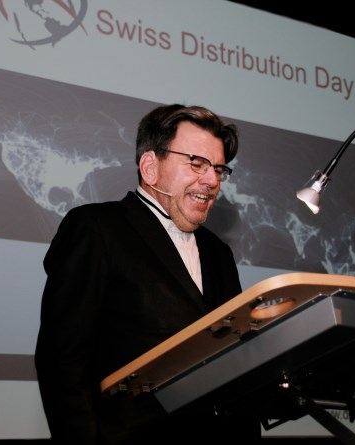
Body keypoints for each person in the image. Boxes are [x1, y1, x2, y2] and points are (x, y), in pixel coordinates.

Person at [35, 104, 261, 444]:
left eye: (218, 169)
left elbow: (232, 356)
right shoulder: (96, 229)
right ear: (150, 167)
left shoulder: (219, 253)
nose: (213, 181)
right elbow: (61, 360)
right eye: (197, 163)